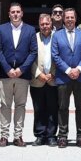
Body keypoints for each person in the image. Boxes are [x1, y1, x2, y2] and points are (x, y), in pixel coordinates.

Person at [0, 2, 35, 146]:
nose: (15, 14)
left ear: (22, 13)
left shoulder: (30, 30)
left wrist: (21, 69)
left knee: (20, 105)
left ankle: (18, 136)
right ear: (9, 14)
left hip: (22, 75)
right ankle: (4, 136)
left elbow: (33, 52)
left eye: (18, 11)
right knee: (5, 105)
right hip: (6, 75)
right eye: (13, 12)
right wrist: (7, 69)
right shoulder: (1, 29)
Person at [51, 6, 81, 148]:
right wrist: (68, 70)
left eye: (71, 17)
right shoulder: (57, 35)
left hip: (80, 77)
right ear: (63, 18)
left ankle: (80, 136)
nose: (69, 20)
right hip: (63, 77)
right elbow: (55, 55)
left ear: (75, 18)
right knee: (62, 107)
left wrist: (78, 69)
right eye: (67, 17)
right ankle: (62, 136)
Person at [30, 12, 59, 146]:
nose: (44, 26)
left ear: (51, 24)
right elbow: (29, 57)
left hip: (53, 79)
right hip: (38, 80)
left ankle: (52, 135)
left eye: (47, 23)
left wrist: (52, 73)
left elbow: (61, 56)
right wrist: (38, 73)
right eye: (42, 24)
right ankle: (40, 135)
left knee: (53, 108)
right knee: (39, 108)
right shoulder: (33, 37)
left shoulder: (58, 37)